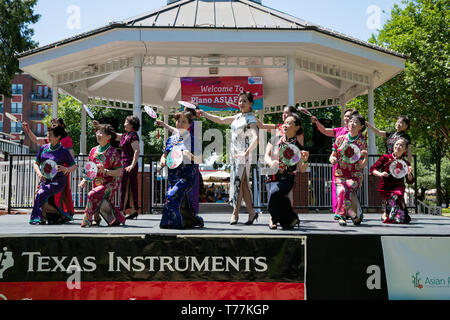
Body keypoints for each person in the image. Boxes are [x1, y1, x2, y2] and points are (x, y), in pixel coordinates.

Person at [199, 92, 259, 225]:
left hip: (243, 156)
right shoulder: (238, 117)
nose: (241, 103)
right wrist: (205, 114)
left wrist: (246, 153)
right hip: (235, 156)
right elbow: (221, 120)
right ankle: (252, 212)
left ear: (250, 103)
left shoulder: (251, 119)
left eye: (244, 101)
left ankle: (235, 214)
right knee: (242, 184)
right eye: (240, 101)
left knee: (237, 183)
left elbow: (256, 138)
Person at [159, 111, 204, 229]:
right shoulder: (170, 140)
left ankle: (174, 223)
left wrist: (190, 155)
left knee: (171, 195)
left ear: (189, 124)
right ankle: (193, 220)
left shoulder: (193, 140)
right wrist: (163, 160)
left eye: (184, 121)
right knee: (175, 199)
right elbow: (164, 154)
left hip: (186, 177)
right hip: (173, 177)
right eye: (178, 121)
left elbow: (200, 159)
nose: (180, 124)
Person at [264, 114, 309, 229]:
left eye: (289, 123)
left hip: (286, 179)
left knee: (274, 194)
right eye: (285, 122)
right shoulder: (274, 139)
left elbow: (302, 169)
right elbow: (266, 156)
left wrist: (305, 160)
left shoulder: (297, 146)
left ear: (297, 127)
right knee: (273, 200)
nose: (285, 125)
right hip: (272, 175)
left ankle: (278, 218)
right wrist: (270, 163)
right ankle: (289, 220)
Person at [311, 109, 360, 215]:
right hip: (339, 167)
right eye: (345, 116)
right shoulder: (339, 131)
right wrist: (317, 122)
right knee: (339, 190)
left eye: (350, 116)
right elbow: (324, 130)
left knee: (350, 190)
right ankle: (340, 212)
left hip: (352, 168)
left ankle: (351, 212)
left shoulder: (357, 133)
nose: (347, 118)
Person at [79, 124, 126, 228]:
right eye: (97, 132)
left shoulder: (113, 152)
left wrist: (105, 171)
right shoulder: (93, 151)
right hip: (96, 182)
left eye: (101, 133)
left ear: (109, 137)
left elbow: (119, 172)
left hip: (110, 184)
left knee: (92, 194)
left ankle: (88, 220)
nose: (98, 134)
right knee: (98, 196)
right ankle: (116, 218)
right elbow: (89, 169)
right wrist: (84, 180)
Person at [95, 116, 141, 220]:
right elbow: (112, 135)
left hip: (129, 164)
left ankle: (123, 211)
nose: (124, 123)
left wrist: (132, 165)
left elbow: (137, 151)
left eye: (126, 122)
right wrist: (99, 126)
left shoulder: (133, 136)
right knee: (126, 186)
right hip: (124, 163)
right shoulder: (126, 135)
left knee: (127, 186)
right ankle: (130, 211)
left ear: (131, 124)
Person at [30, 126, 77, 225]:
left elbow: (74, 166)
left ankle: (39, 218)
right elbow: (35, 163)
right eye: (47, 134)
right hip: (45, 180)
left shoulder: (63, 151)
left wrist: (66, 169)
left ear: (58, 137)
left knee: (40, 193)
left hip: (58, 181)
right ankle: (59, 215)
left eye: (50, 135)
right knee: (41, 198)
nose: (48, 137)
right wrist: (39, 173)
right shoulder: (44, 148)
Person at [329, 114, 368, 226]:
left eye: (355, 122)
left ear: (361, 127)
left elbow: (362, 165)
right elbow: (333, 155)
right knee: (342, 191)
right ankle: (352, 213)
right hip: (340, 173)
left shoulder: (362, 143)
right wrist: (332, 159)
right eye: (351, 121)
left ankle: (344, 214)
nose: (352, 123)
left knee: (347, 189)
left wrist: (365, 157)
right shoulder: (340, 139)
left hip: (355, 174)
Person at [369, 138, 415, 224]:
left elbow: (410, 181)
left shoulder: (406, 164)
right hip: (385, 186)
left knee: (397, 195)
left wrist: (409, 175)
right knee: (396, 200)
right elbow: (372, 169)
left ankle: (391, 215)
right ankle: (391, 212)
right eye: (397, 144)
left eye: (401, 145)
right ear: (393, 146)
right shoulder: (385, 157)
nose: (398, 146)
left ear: (405, 150)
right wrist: (380, 174)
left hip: (398, 186)